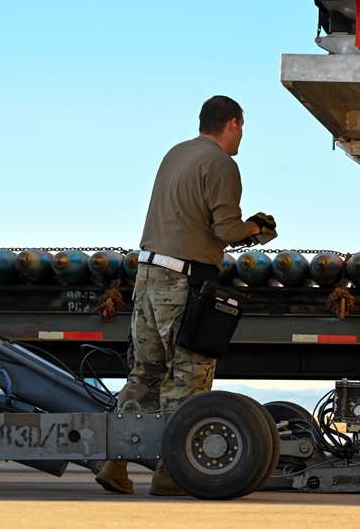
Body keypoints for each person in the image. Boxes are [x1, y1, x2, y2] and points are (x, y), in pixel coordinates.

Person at [95, 95, 266, 497]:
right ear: (235, 124)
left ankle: (113, 464)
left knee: (145, 373)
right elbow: (226, 229)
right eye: (242, 129)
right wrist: (257, 228)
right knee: (186, 380)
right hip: (183, 282)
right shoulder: (223, 164)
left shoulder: (175, 153)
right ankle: (170, 473)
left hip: (148, 275)